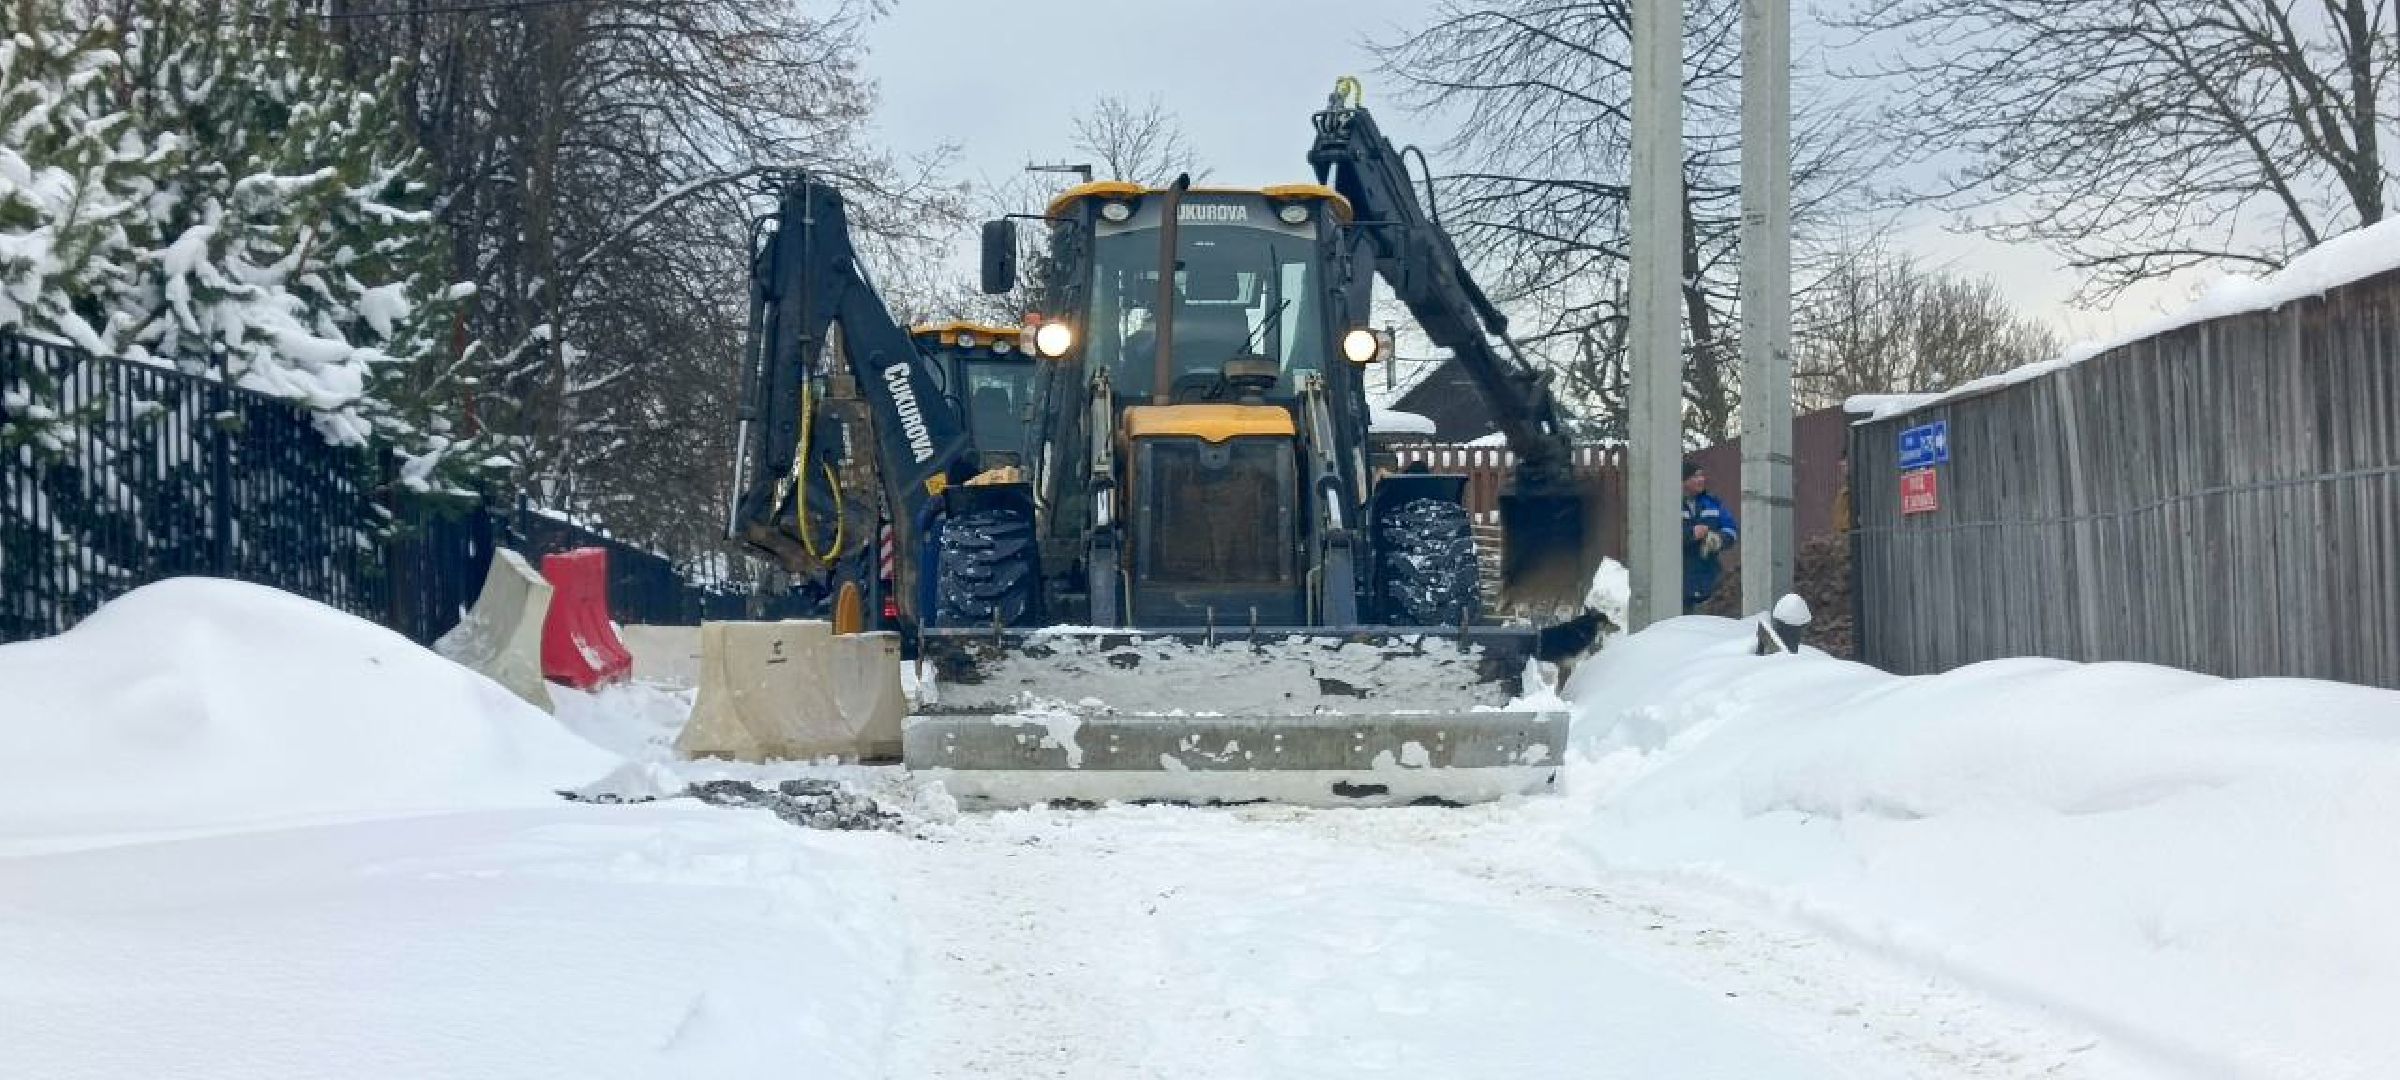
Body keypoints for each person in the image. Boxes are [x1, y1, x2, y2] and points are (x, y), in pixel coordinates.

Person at [1682, 461, 1738, 611]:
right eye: (1695, 476)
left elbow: (1731, 529)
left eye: (1701, 475)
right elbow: (1663, 538)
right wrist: (1691, 534)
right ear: (1683, 481)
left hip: (1710, 580)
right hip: (1680, 582)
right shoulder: (1670, 504)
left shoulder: (1713, 503)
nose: (1701, 480)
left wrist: (1718, 539)